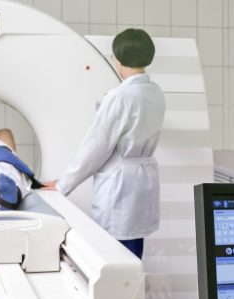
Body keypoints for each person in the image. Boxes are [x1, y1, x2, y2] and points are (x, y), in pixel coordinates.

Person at [42, 28, 165, 260]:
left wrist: (63, 185)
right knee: (134, 254)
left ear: (117, 59)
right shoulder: (155, 92)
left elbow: (95, 149)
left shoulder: (120, 97)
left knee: (115, 258)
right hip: (142, 185)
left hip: (119, 187)